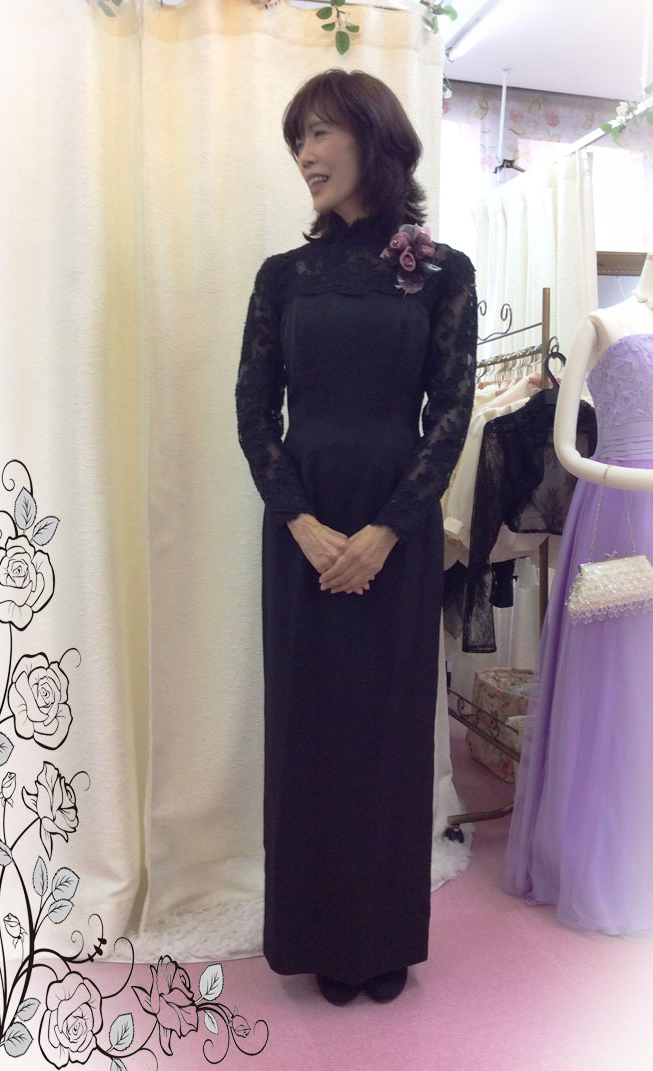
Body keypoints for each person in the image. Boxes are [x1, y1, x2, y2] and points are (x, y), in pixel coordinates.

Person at [236, 69, 477, 1004]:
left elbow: (449, 415)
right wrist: (300, 521)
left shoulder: (442, 271)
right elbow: (254, 412)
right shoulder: (281, 277)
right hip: (300, 531)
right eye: (296, 138)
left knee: (386, 736)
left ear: (372, 138)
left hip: (397, 535)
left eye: (319, 133)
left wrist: (383, 532)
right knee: (308, 732)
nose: (303, 154)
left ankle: (381, 941)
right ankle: (317, 941)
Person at [503, 253, 653, 938]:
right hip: (623, 517)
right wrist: (634, 478)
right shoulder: (603, 323)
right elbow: (567, 451)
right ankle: (615, 854)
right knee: (620, 679)